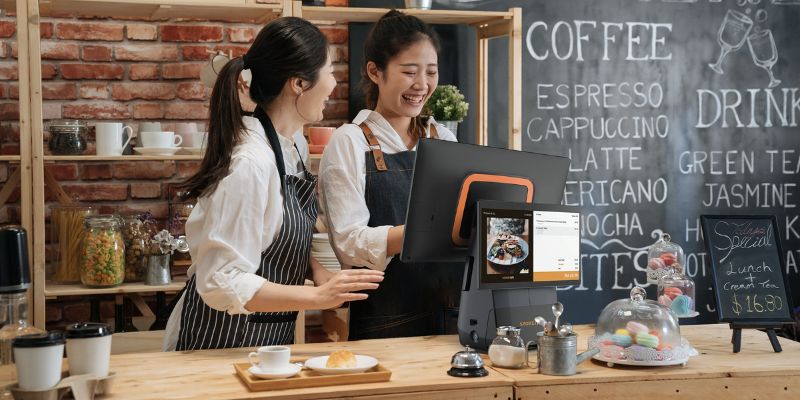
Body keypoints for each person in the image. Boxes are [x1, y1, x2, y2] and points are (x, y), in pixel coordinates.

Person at [164, 17, 384, 351]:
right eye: (329, 71)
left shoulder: (291, 143)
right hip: (218, 343)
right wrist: (317, 296)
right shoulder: (250, 165)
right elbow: (221, 281)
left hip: (264, 343)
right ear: (298, 83)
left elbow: (273, 233)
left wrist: (317, 270)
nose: (334, 83)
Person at [319, 10, 462, 340]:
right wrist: (418, 233)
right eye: (409, 72)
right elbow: (349, 244)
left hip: (453, 316)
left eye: (431, 72)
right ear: (375, 71)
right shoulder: (350, 142)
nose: (422, 85)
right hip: (386, 322)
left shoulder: (443, 137)